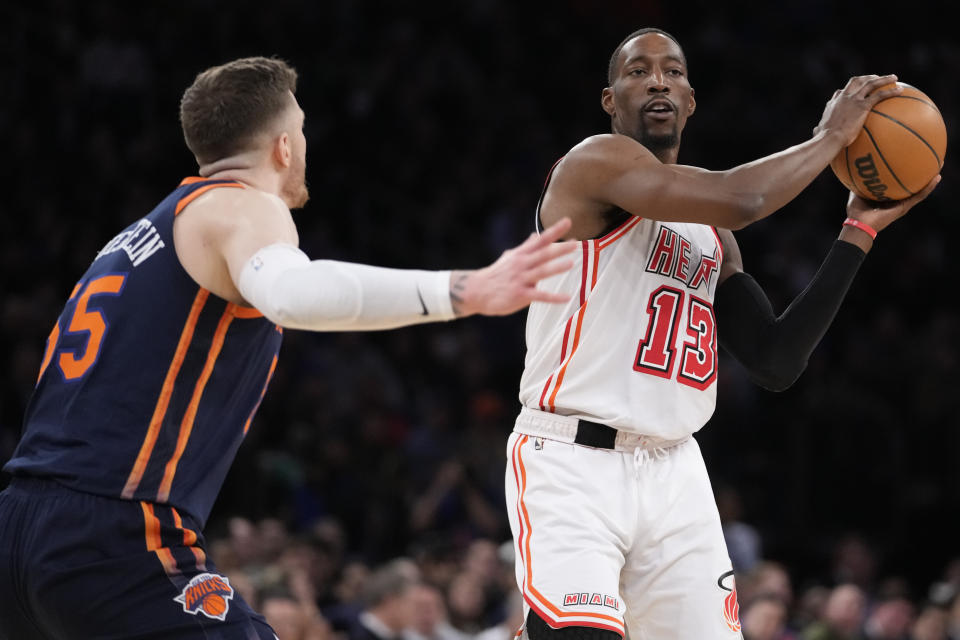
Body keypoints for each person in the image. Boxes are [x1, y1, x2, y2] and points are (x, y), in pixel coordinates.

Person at [0, 56, 577, 640]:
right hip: (110, 533)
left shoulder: (134, 237)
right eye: (300, 131)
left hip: (18, 527)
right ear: (282, 146)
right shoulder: (241, 205)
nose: (303, 146)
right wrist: (463, 290)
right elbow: (290, 292)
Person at [504, 27, 940, 640]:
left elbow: (775, 359)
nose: (658, 79)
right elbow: (743, 195)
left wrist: (858, 230)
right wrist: (831, 138)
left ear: (690, 101)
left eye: (674, 72)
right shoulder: (592, 163)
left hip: (674, 469)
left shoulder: (712, 238)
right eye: (638, 71)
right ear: (609, 100)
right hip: (573, 461)